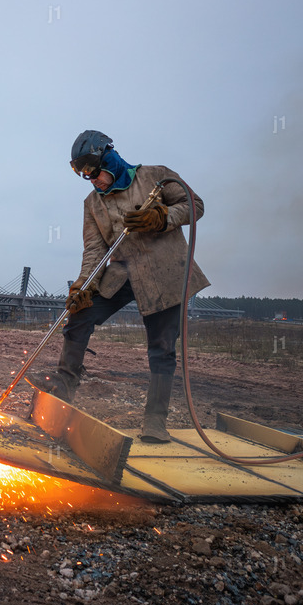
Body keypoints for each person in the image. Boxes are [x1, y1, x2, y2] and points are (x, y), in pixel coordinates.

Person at [45, 130, 210, 443]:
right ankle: (62, 392)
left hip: (164, 273)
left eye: (95, 174)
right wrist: (84, 284)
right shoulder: (92, 203)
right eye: (86, 178)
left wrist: (161, 218)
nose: (93, 182)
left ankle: (155, 423)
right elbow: (94, 249)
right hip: (122, 273)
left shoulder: (156, 177)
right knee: (80, 317)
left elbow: (195, 205)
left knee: (162, 348)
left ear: (110, 160)